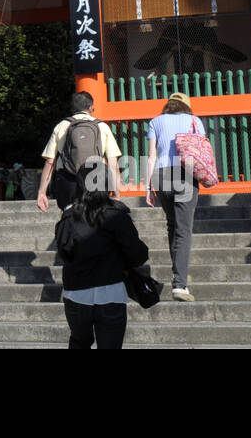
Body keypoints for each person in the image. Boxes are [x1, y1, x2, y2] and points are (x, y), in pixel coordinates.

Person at [55, 159, 149, 349]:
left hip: (76, 294)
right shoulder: (117, 214)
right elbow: (138, 254)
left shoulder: (69, 217)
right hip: (111, 291)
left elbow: (64, 251)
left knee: (79, 342)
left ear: (80, 184)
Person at [145, 92, 202, 302]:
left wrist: (148, 187)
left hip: (160, 175)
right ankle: (179, 285)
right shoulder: (195, 121)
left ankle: (178, 272)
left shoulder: (155, 121)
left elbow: (151, 155)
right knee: (183, 229)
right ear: (186, 106)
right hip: (184, 174)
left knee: (173, 225)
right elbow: (200, 150)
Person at [36, 91, 122, 212]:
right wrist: (116, 193)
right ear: (91, 107)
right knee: (96, 219)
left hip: (68, 181)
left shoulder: (62, 126)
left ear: (72, 109)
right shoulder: (102, 126)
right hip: (96, 181)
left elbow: (50, 162)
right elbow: (113, 164)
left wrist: (41, 193)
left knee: (70, 219)